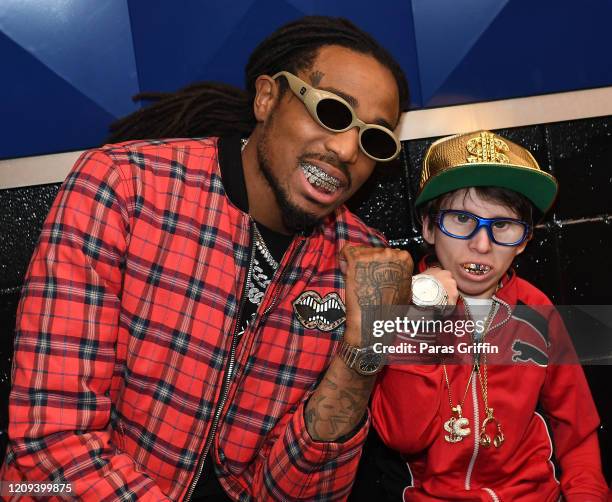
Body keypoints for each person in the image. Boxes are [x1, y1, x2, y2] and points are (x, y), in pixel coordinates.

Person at [1, 15, 453, 501]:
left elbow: (300, 495)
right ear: (266, 98)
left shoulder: (358, 262)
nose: (346, 149)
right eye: (332, 112)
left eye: (374, 140)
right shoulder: (125, 189)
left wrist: (360, 357)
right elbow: (49, 449)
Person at [371, 130, 609, 501]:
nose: (482, 245)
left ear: (525, 240)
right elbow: (403, 434)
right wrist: (421, 321)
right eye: (461, 219)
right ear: (429, 226)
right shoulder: (396, 307)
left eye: (502, 226)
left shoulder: (537, 311)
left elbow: (577, 433)